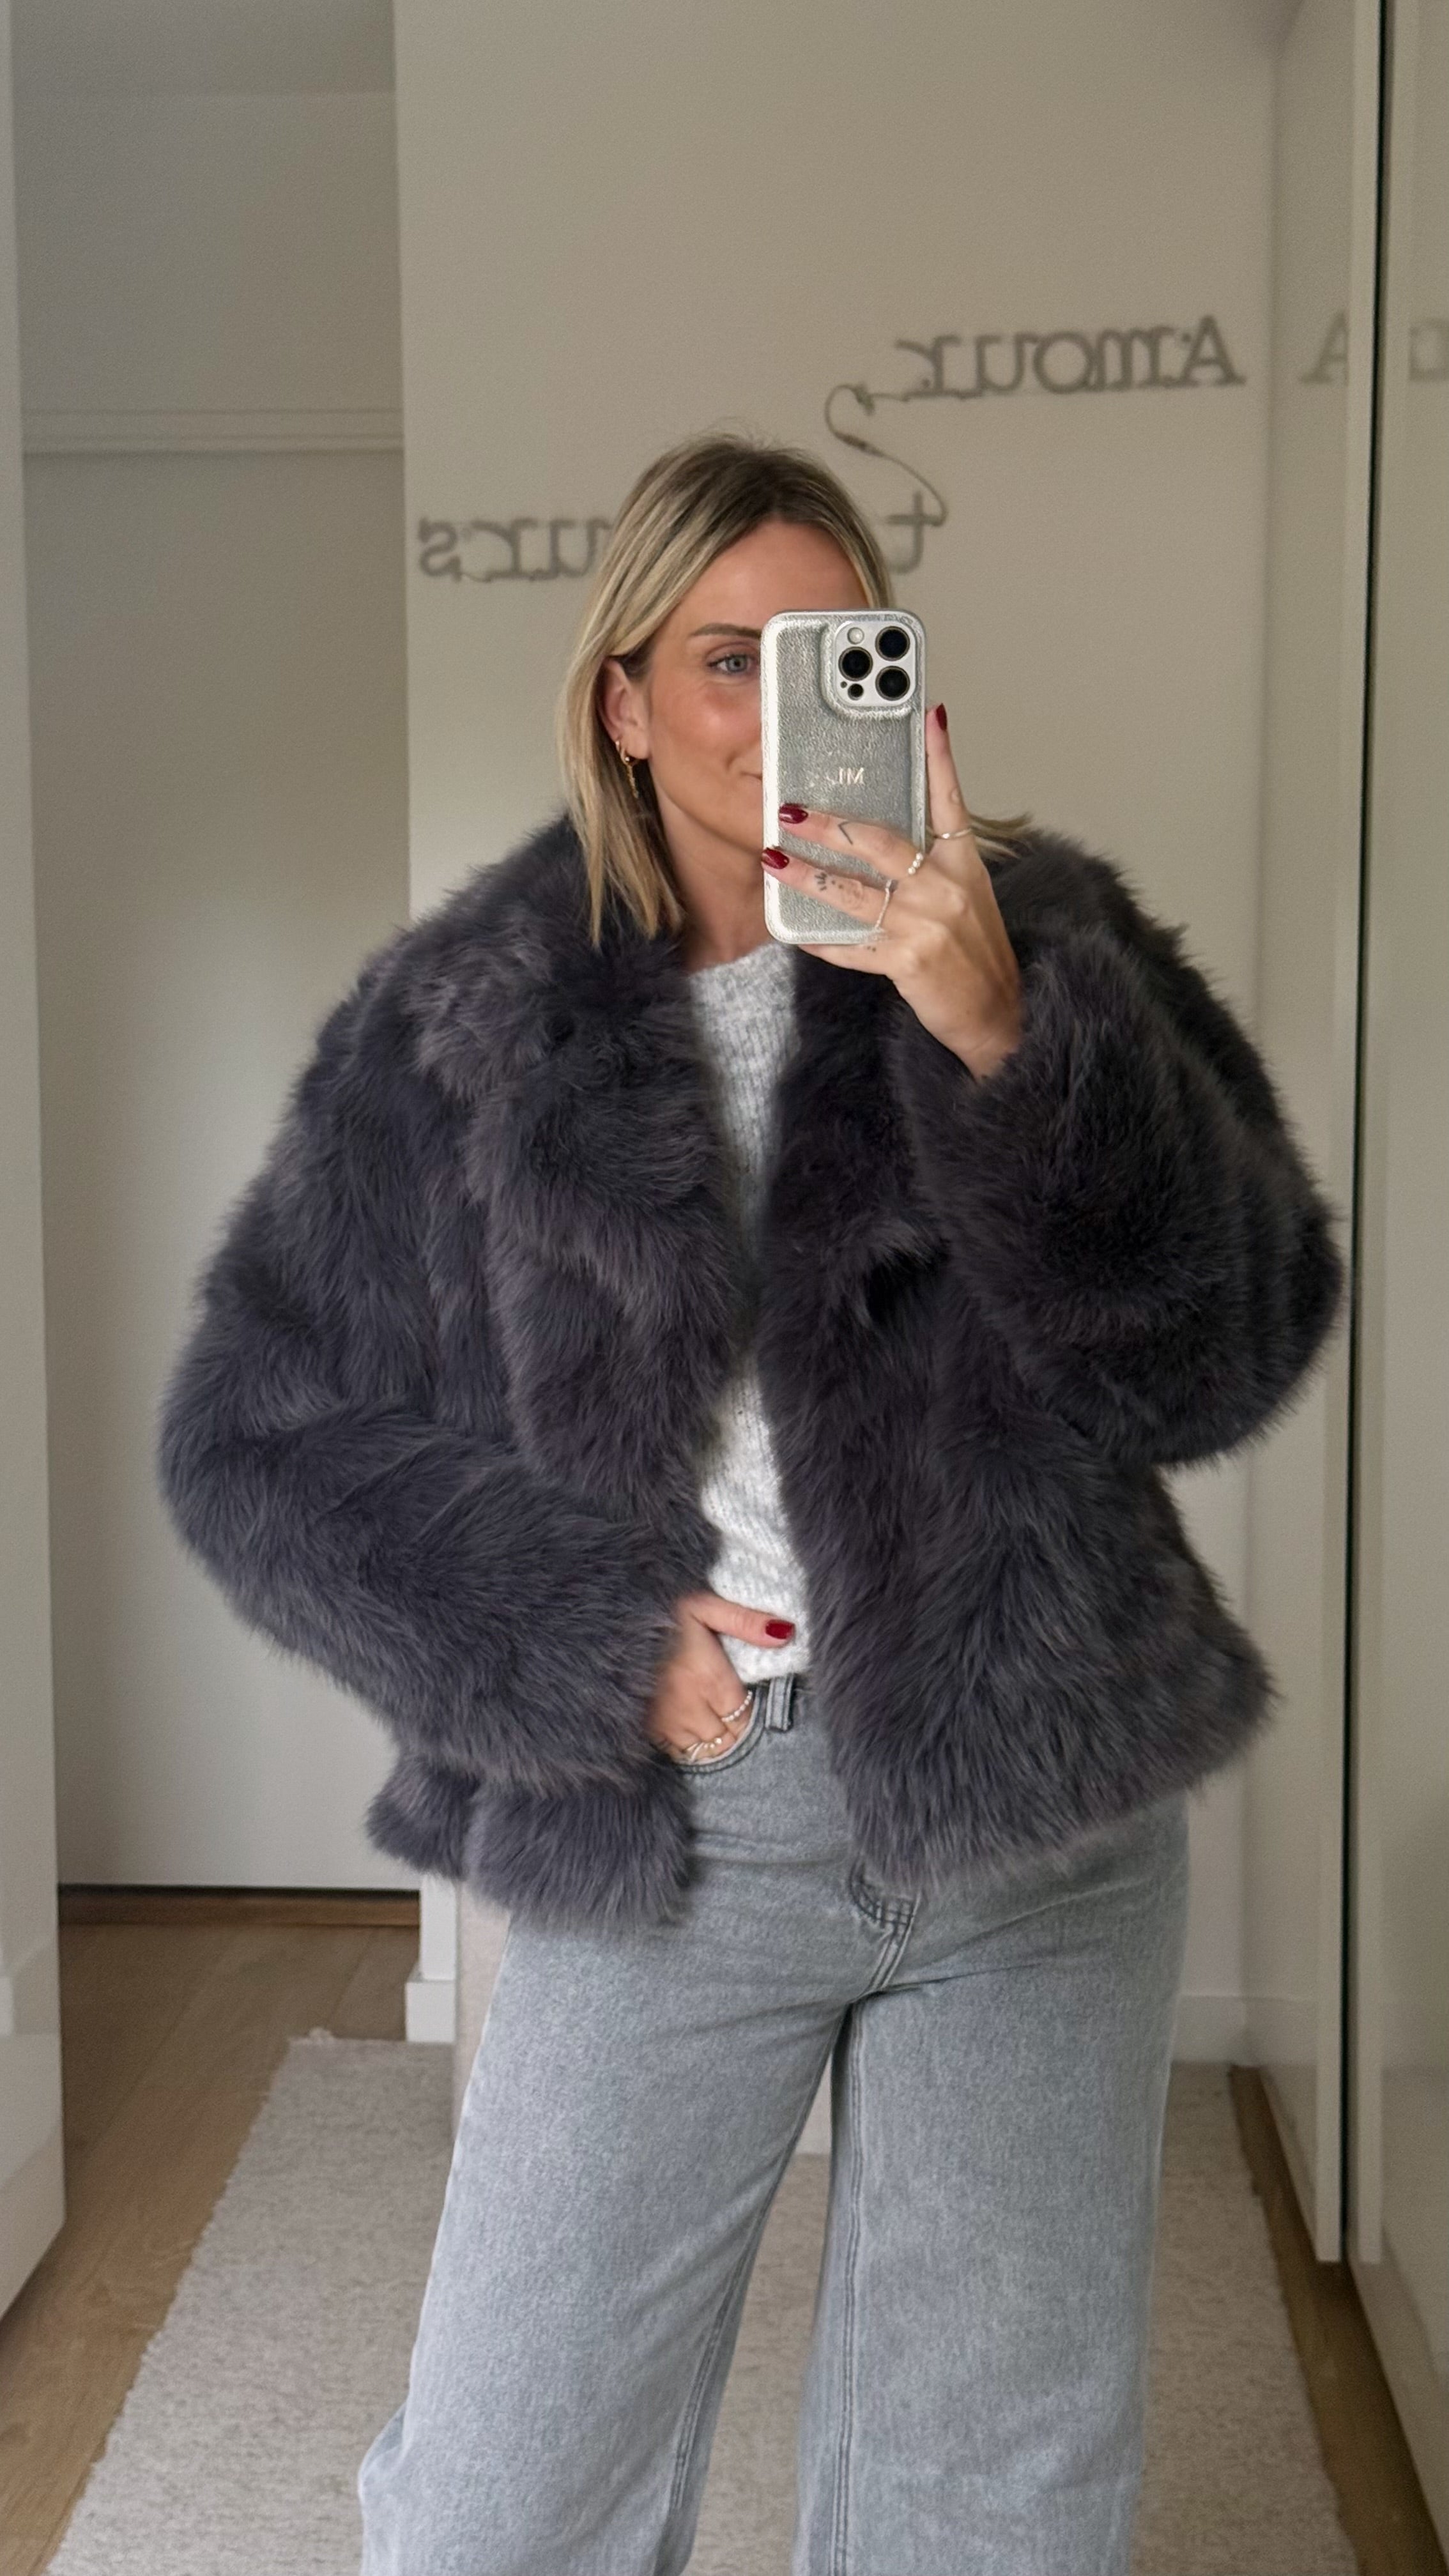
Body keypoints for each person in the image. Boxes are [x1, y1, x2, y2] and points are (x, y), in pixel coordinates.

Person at [155, 431, 1346, 2575]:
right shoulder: (465, 1023)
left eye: (834, 654)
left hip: (1039, 1808)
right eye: (728, 661)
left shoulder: (1045, 944)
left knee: (990, 2499)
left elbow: (1225, 1354)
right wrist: (588, 1636)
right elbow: (255, 1435)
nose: (782, 711)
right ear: (622, 700)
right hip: (682, 1823)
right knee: (503, 2502)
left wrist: (1007, 1045)